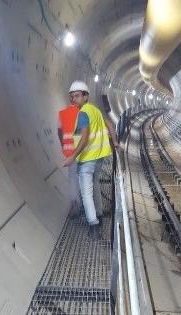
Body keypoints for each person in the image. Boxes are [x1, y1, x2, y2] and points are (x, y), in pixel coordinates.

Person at [63, 81, 119, 239]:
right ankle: (99, 215)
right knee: (95, 186)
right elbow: (109, 124)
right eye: (72, 97)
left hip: (87, 160)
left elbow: (85, 136)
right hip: (99, 158)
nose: (74, 99)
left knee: (86, 194)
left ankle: (93, 226)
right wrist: (114, 142)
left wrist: (72, 156)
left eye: (77, 96)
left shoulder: (82, 114)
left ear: (86, 96)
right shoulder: (95, 110)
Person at [57, 84, 82, 213]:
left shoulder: (62, 114)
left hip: (69, 152)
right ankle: (86, 202)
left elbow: (59, 132)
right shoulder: (82, 113)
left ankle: (74, 204)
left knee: (72, 177)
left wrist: (63, 146)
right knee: (83, 176)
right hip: (82, 152)